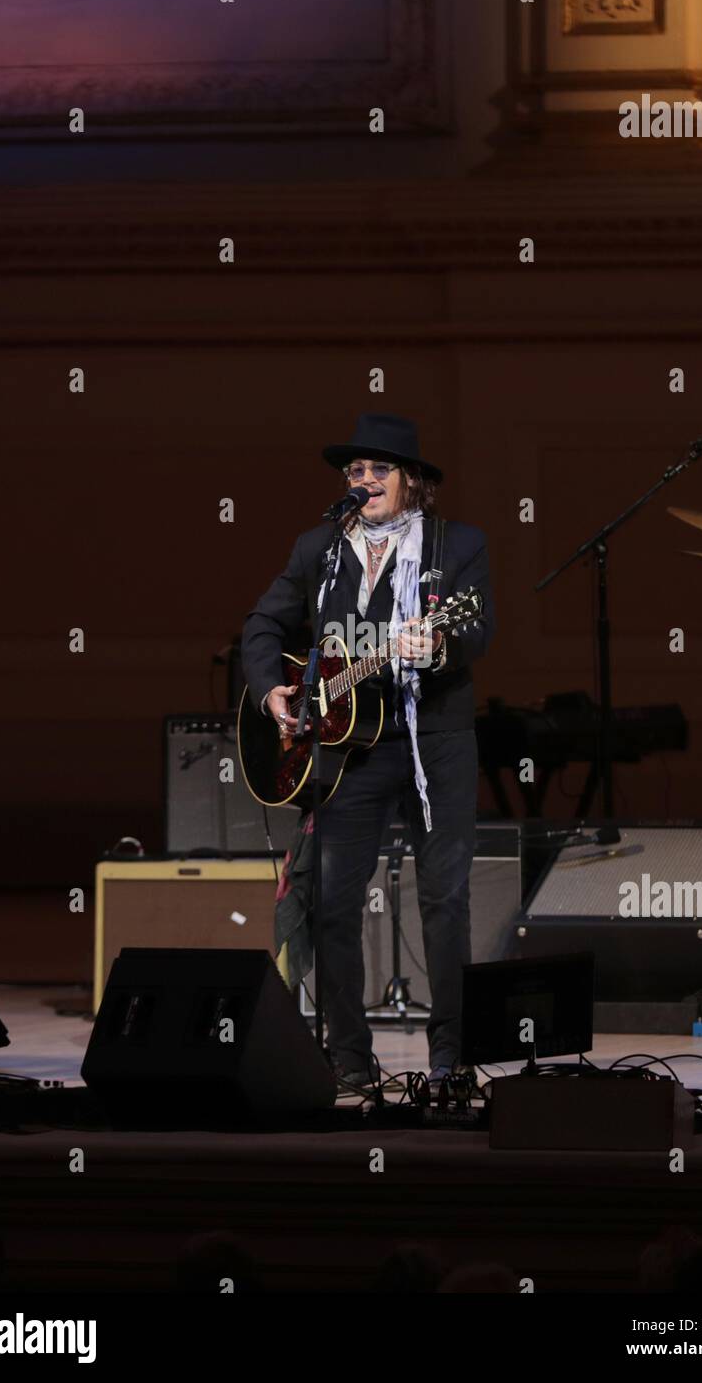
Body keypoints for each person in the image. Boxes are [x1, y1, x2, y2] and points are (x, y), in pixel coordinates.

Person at [241, 413, 495, 1092]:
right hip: (345, 751)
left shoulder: (455, 544)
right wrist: (272, 692)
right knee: (330, 902)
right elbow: (263, 623)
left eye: (379, 469)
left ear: (413, 481)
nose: (365, 479)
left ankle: (449, 1055)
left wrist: (437, 646)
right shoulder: (319, 549)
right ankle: (348, 1054)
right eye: (354, 471)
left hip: (435, 742)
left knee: (445, 899)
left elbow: (479, 628)